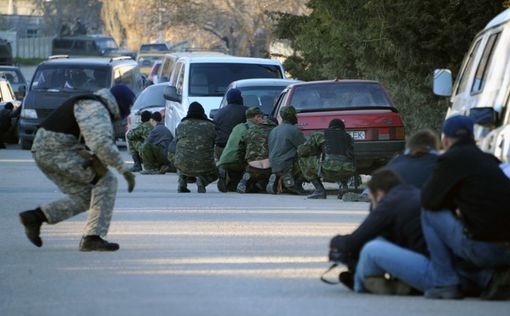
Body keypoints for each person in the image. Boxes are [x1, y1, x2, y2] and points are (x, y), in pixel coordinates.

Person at [18, 84, 136, 252]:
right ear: (121, 103)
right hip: (55, 151)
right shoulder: (95, 107)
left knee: (86, 196)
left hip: (47, 151)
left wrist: (92, 158)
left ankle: (35, 217)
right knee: (107, 180)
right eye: (129, 107)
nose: (128, 113)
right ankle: (93, 238)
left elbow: (88, 140)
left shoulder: (95, 104)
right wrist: (123, 169)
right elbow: (101, 143)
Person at [421, 115, 510, 300]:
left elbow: (428, 200)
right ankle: (491, 276)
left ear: (445, 140)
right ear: (472, 136)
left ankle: (446, 283)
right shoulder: (489, 160)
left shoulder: (450, 159)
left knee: (429, 213)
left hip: (487, 250)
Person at [328, 168, 429, 294]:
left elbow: (353, 241)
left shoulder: (390, 203)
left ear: (379, 194)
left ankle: (359, 283)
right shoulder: (411, 193)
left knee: (371, 248)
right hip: (435, 263)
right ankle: (400, 286)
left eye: (371, 200)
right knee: (377, 242)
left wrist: (335, 243)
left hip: (431, 272)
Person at [298, 118, 355, 199]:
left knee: (302, 158)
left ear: (330, 127)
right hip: (348, 171)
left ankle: (319, 190)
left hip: (328, 169)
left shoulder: (321, 135)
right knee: (344, 162)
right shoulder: (349, 138)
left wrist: (315, 151)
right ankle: (343, 186)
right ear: (343, 129)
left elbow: (302, 151)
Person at [217, 106, 264, 192]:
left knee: (233, 187)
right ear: (257, 117)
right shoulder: (254, 130)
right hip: (237, 162)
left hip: (224, 160)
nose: (263, 119)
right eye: (261, 117)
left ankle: (225, 175)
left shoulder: (238, 126)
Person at [174, 102, 217, 193]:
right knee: (216, 172)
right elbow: (214, 143)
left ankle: (182, 182)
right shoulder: (211, 126)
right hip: (204, 165)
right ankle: (203, 181)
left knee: (182, 158)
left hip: (183, 164)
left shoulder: (181, 125)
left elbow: (177, 142)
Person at [267, 106, 307, 195]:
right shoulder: (293, 130)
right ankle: (294, 183)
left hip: (273, 164)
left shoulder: (274, 130)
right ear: (292, 116)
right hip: (287, 165)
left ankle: (280, 179)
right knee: (310, 160)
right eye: (295, 115)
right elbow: (305, 148)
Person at [237, 108, 277, 193]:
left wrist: (243, 165)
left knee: (251, 182)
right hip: (270, 167)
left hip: (252, 166)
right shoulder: (276, 131)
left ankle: (246, 178)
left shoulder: (250, 130)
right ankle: (271, 180)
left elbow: (240, 149)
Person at [213, 88, 247, 160]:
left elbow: (214, 131)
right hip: (241, 149)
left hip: (221, 148)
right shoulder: (247, 111)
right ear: (240, 98)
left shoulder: (219, 113)